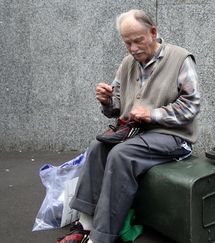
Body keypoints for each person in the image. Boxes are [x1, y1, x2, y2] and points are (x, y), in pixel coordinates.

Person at [57, 9, 200, 243]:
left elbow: (191, 106)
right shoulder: (127, 64)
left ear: (152, 32)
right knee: (97, 147)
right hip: (134, 133)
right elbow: (116, 108)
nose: (133, 48)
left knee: (121, 154)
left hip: (173, 136)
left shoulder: (180, 59)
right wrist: (107, 101)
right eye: (127, 43)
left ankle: (101, 237)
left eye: (138, 40)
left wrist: (153, 114)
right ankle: (85, 224)